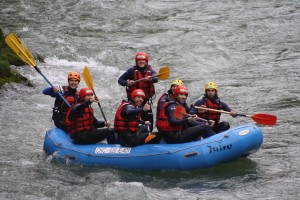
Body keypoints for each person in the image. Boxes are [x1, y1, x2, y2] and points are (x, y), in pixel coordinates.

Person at [118, 52, 158, 131]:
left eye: (143, 60)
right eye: (139, 60)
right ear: (136, 61)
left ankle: (148, 135)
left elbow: (156, 79)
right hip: (133, 103)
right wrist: (127, 83)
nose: (141, 61)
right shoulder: (131, 71)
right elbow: (120, 80)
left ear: (146, 61)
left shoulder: (151, 71)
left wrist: (151, 78)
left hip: (145, 101)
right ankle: (133, 135)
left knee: (149, 124)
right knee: (132, 123)